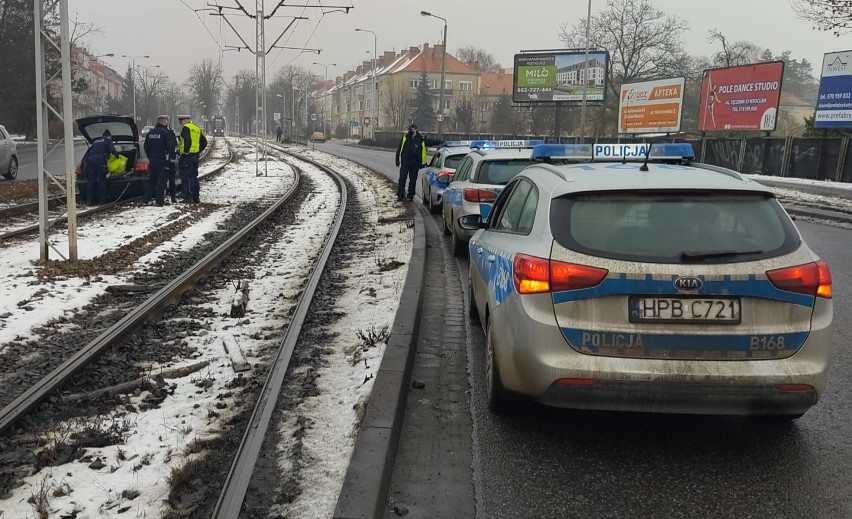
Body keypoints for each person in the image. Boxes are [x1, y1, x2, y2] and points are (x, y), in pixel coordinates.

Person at [143, 115, 177, 206]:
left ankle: (147, 198)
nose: (167, 122)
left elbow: (146, 146)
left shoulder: (150, 133)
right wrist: (172, 158)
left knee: (152, 180)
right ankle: (159, 200)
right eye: (167, 121)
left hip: (153, 160)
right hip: (163, 160)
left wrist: (150, 156)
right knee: (161, 181)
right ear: (164, 122)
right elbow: (171, 147)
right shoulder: (166, 133)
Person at [177, 114, 207, 203]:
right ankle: (196, 196)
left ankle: (188, 197)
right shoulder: (196, 128)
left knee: (186, 177)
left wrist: (186, 152)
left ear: (186, 120)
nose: (180, 123)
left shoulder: (186, 128)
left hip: (187, 157)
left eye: (181, 121)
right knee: (194, 177)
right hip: (194, 156)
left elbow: (187, 140)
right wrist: (197, 151)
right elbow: (204, 142)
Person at [394, 123, 426, 202]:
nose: (410, 130)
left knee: (413, 180)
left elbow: (423, 151)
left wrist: (422, 163)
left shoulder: (420, 138)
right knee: (402, 179)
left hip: (414, 163)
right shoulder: (405, 137)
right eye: (409, 129)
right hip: (405, 162)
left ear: (415, 129)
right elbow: (400, 148)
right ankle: (400, 195)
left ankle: (410, 196)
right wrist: (397, 159)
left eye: (411, 129)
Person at [85, 129, 116, 206]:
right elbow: (112, 150)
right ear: (109, 136)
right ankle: (102, 200)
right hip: (100, 161)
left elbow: (91, 152)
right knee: (102, 181)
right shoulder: (107, 141)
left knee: (91, 181)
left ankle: (89, 200)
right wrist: (117, 156)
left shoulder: (95, 141)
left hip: (91, 161)